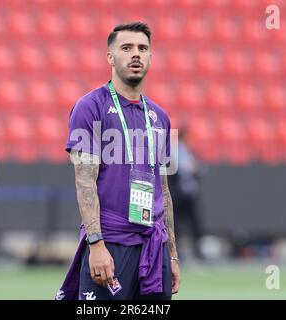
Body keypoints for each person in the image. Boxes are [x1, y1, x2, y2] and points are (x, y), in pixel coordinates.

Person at [56, 22, 180, 300]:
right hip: (111, 243)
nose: (136, 54)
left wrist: (172, 256)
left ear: (150, 57)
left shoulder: (161, 117)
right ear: (110, 57)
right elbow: (84, 182)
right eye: (127, 48)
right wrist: (96, 244)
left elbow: (165, 190)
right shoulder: (90, 107)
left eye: (143, 48)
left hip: (153, 246)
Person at [168, 127, 207, 260]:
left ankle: (197, 251)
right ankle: (177, 252)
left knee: (194, 224)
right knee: (177, 223)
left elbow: (200, 167)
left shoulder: (189, 151)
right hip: (179, 194)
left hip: (189, 193)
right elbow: (180, 169)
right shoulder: (176, 151)